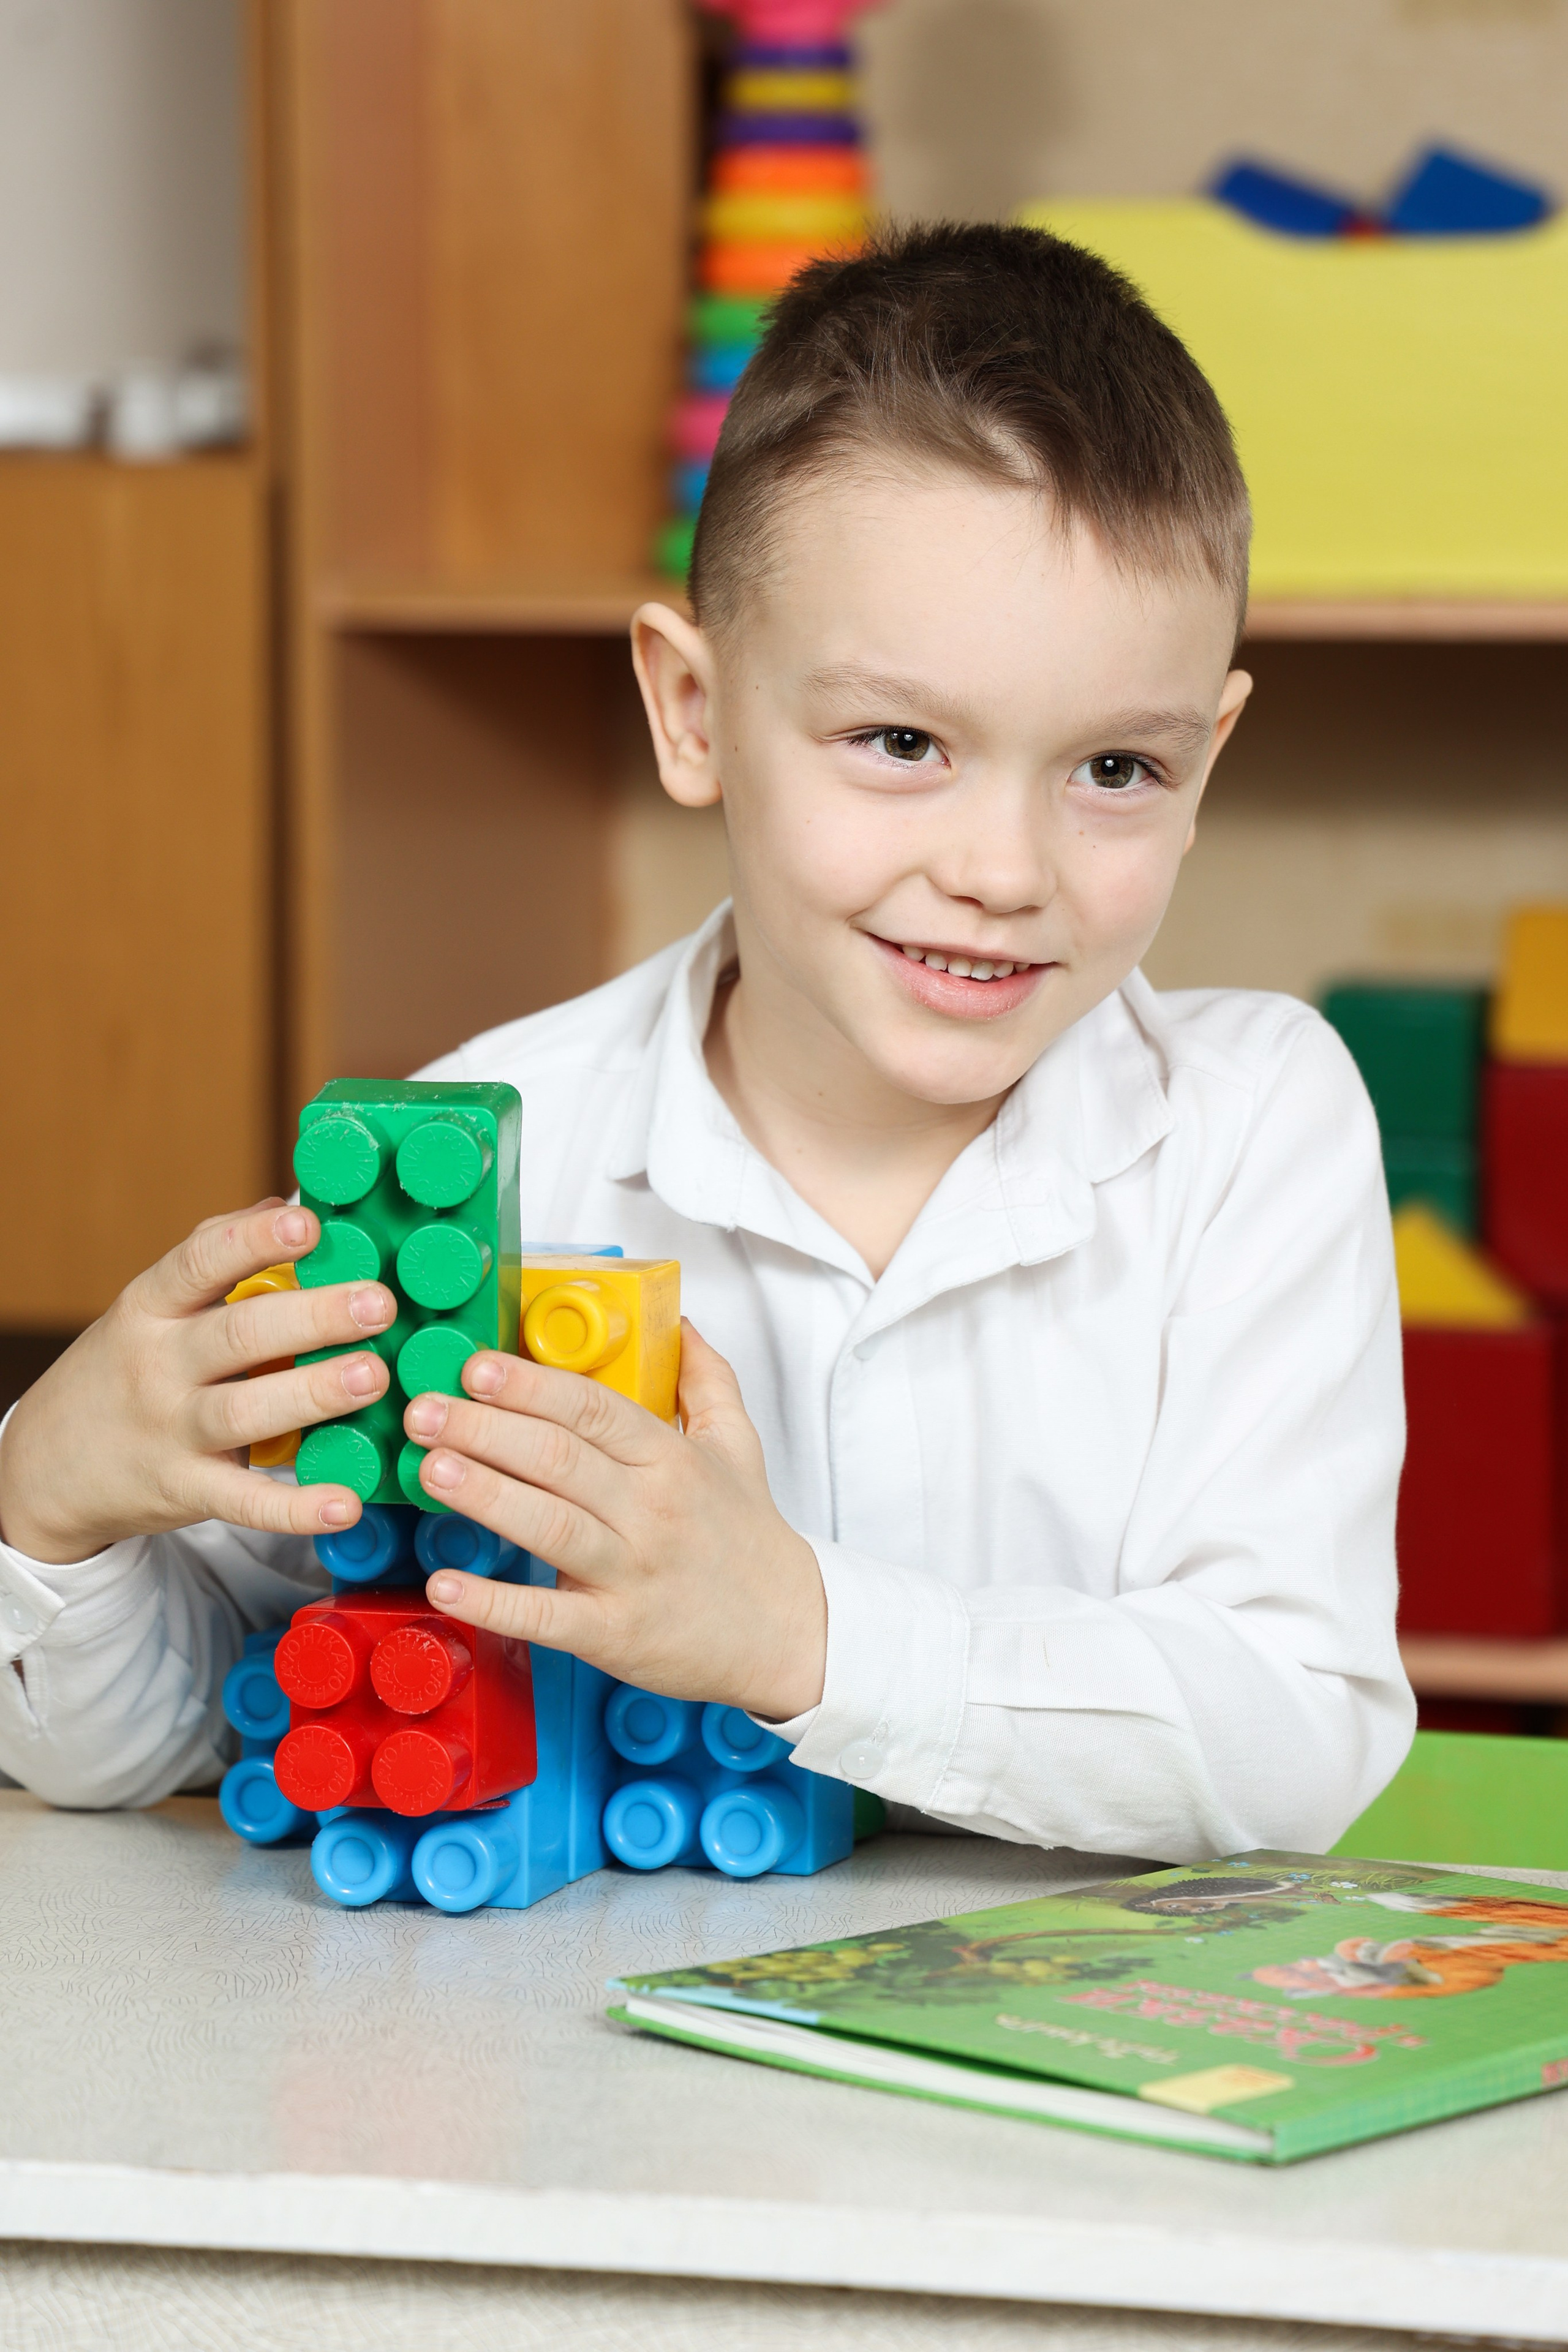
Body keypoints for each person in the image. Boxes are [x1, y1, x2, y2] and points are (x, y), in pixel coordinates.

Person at [0, 224, 1411, 1858]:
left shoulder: (1252, 1123)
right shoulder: (492, 1135)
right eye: (900, 741)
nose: (1006, 872)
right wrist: (53, 1507)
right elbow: (179, 1734)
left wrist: (798, 1631)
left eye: (1116, 771)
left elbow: (1295, 1728)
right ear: (691, 711)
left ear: (1207, 757)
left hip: (1084, 2087)